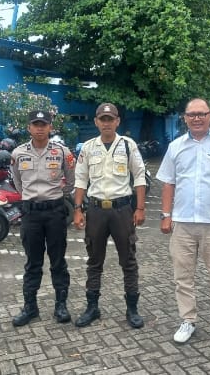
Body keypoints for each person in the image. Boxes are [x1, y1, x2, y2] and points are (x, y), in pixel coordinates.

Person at [156, 98, 210, 344]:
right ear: (185, 118)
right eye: (191, 114)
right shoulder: (175, 147)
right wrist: (165, 215)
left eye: (201, 114)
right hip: (182, 223)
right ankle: (188, 320)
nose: (196, 118)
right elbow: (168, 183)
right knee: (183, 276)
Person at [72, 102, 147, 329]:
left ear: (117, 121)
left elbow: (139, 176)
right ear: (96, 122)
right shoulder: (88, 147)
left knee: (128, 261)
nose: (106, 123)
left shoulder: (128, 145)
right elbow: (80, 179)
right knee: (94, 261)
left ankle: (132, 309)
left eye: (110, 119)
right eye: (102, 119)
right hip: (95, 211)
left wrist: (140, 208)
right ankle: (92, 308)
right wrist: (77, 209)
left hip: (122, 210)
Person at [10, 110, 76, 326]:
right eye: (35, 124)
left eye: (43, 124)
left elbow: (71, 180)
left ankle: (61, 305)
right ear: (28, 127)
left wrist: (56, 195)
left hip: (55, 212)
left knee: (58, 261)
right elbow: (17, 182)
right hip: (31, 214)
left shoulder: (62, 152)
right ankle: (30, 307)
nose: (40, 128)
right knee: (33, 262)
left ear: (50, 127)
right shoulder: (18, 153)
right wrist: (31, 198)